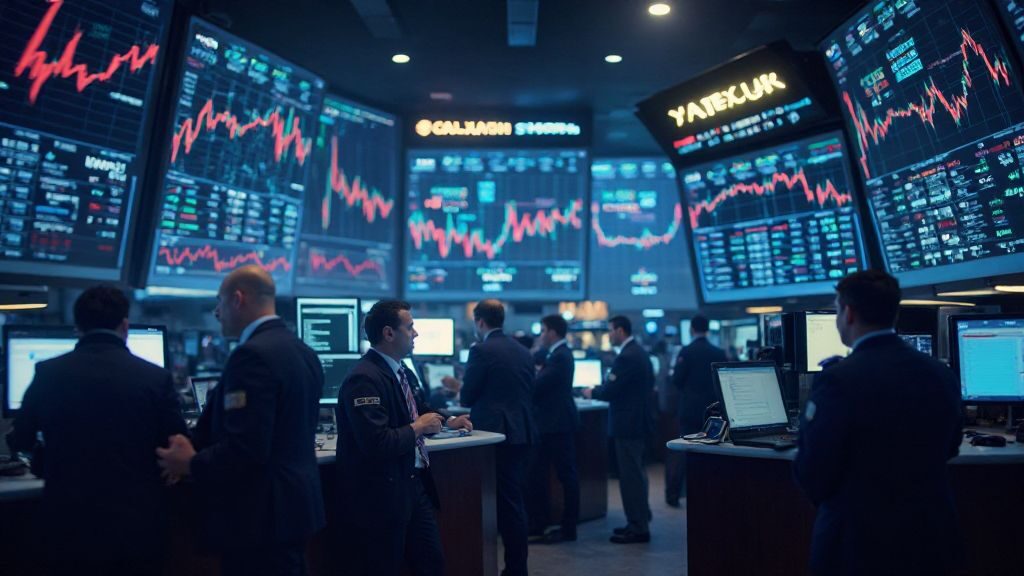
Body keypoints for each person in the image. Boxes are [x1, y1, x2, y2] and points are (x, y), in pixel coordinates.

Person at [6, 285, 187, 576]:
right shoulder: (156, 378)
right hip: (137, 526)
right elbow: (176, 443)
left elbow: (21, 440)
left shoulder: (47, 372)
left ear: (78, 327)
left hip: (67, 525)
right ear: (125, 325)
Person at [156, 266, 325, 576]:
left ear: (238, 299)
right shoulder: (302, 350)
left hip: (261, 517)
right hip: (295, 509)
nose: (217, 312)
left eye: (219, 302)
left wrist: (190, 463)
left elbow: (247, 447)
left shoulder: (252, 355)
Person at [794, 270, 963, 576]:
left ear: (848, 313)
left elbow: (813, 471)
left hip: (859, 544)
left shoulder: (837, 380)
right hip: (931, 538)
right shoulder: (941, 374)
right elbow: (951, 446)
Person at [334, 300, 471, 576]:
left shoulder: (401, 371)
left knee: (432, 563)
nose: (416, 334)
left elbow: (419, 409)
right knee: (385, 566)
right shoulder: (364, 378)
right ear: (388, 333)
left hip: (411, 485)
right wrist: (418, 428)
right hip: (380, 495)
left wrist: (447, 420)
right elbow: (377, 443)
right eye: (410, 328)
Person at [460, 299, 536, 576]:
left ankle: (514, 570)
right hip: (523, 431)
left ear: (480, 322)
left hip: (496, 434)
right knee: (513, 501)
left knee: (505, 503)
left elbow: (467, 396)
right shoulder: (524, 350)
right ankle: (517, 566)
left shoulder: (481, 350)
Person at [584, 315, 654, 543]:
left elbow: (609, 391)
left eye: (611, 331)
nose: (609, 335)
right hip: (638, 422)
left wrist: (591, 392)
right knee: (637, 474)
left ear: (621, 330)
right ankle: (639, 519)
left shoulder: (627, 356)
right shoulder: (639, 352)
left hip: (628, 425)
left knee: (631, 476)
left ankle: (638, 526)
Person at [526, 314, 580, 544]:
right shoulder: (558, 355)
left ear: (552, 332)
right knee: (554, 474)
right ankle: (547, 524)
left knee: (564, 476)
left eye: (543, 331)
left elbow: (537, 386)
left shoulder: (560, 356)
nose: (540, 336)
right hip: (554, 424)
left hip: (555, 425)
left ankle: (566, 528)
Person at [665, 315, 727, 507]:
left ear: (692, 329)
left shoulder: (687, 351)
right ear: (708, 328)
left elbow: (676, 380)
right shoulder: (718, 352)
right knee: (712, 451)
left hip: (690, 409)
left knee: (684, 451)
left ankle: (673, 494)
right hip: (713, 411)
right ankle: (709, 492)